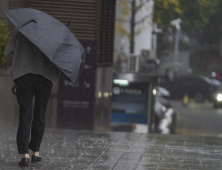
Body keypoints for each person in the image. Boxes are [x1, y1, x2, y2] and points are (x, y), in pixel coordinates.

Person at [4, 31, 59, 166]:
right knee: (40, 114)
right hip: (44, 78)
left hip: (24, 77)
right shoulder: (50, 36)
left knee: (25, 114)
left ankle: (25, 155)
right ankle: (36, 153)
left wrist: (17, 65)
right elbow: (59, 59)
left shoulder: (21, 33)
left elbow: (8, 52)